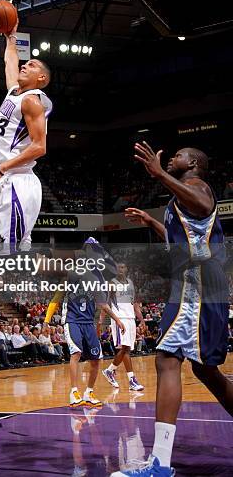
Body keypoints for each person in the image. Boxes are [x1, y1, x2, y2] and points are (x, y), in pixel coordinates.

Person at [110, 144, 233, 477]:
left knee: (166, 359)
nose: (171, 159)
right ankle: (159, 463)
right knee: (205, 371)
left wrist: (160, 173)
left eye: (177, 155)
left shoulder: (197, 187)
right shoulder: (181, 197)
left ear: (192, 162)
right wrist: (152, 221)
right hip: (202, 282)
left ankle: (159, 465)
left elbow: (206, 205)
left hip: (198, 281)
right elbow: (183, 240)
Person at [0, 19, 52, 254]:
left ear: (41, 78)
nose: (24, 66)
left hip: (16, 180)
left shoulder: (32, 101)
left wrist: (0, 169)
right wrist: (11, 37)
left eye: (31, 65)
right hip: (7, 179)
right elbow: (10, 61)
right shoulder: (15, 93)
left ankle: (81, 269)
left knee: (5, 253)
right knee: (4, 249)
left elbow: (39, 147)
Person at [44, 238, 126, 407]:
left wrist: (116, 319)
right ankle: (74, 392)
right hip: (72, 320)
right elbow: (56, 298)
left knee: (97, 359)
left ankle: (89, 392)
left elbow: (102, 304)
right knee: (76, 353)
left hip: (88, 322)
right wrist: (46, 320)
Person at [102, 262, 145, 391]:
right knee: (125, 347)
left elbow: (135, 304)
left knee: (127, 350)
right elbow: (106, 302)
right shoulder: (111, 283)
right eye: (118, 267)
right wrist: (100, 321)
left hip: (131, 318)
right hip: (119, 318)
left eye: (123, 267)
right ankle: (131, 379)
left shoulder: (131, 283)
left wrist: (142, 320)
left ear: (126, 269)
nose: (120, 269)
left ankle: (110, 371)